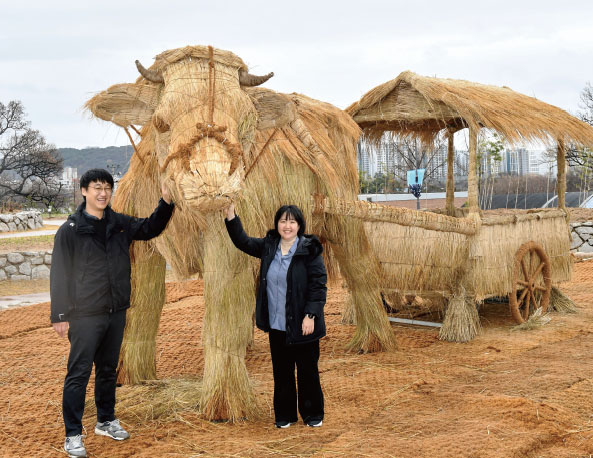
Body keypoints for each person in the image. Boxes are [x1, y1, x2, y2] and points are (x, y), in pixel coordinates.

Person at [50, 169, 174, 458]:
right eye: (96, 187)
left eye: (106, 187)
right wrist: (59, 314)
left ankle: (105, 420)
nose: (102, 193)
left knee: (107, 371)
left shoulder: (119, 223)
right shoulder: (70, 230)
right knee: (78, 374)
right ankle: (73, 434)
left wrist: (166, 202)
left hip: (115, 310)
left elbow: (149, 228)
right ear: (84, 191)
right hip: (84, 314)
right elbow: (59, 273)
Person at [225, 203, 326, 428]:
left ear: (299, 225)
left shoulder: (309, 249)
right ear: (277, 224)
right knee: (282, 371)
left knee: (307, 370)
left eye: (292, 221)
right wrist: (231, 216)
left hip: (303, 324)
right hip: (278, 323)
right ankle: (284, 414)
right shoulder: (269, 246)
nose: (287, 226)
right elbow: (243, 241)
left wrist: (311, 315)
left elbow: (318, 286)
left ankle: (312, 414)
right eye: (283, 221)